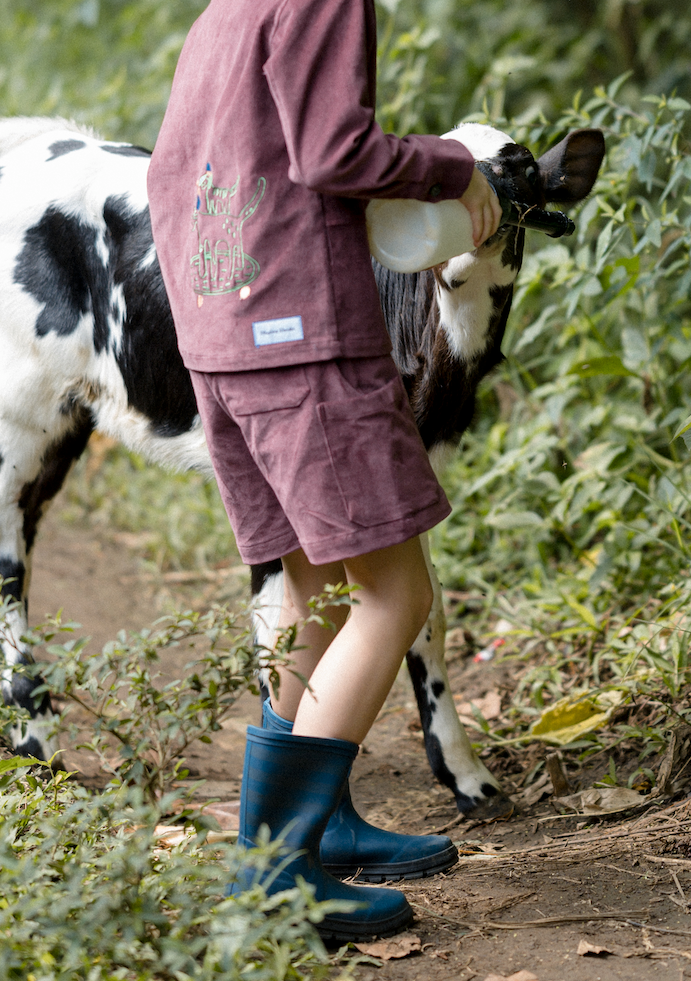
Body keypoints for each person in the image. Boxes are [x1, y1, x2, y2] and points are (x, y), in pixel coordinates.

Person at [148, 0, 501, 944]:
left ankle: (320, 824)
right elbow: (333, 152)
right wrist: (454, 163)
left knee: (313, 584)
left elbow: (170, 172)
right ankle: (278, 874)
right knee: (394, 591)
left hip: (223, 341)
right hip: (301, 341)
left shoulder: (227, 10)